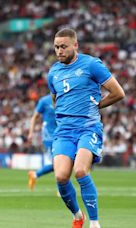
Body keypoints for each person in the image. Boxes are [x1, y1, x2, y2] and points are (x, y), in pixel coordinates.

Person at [47, 28, 125, 228]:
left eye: (63, 46)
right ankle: (77, 215)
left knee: (80, 171)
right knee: (61, 176)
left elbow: (118, 93)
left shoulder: (91, 65)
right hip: (64, 131)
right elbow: (56, 100)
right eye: (56, 47)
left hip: (87, 127)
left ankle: (95, 223)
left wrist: (98, 105)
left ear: (75, 45)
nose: (59, 51)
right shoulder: (53, 72)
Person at [27, 94, 56, 191]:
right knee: (58, 163)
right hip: (49, 136)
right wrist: (31, 132)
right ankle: (62, 189)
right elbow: (34, 117)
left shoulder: (64, 98)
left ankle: (35, 175)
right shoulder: (44, 101)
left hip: (62, 134)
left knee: (60, 163)